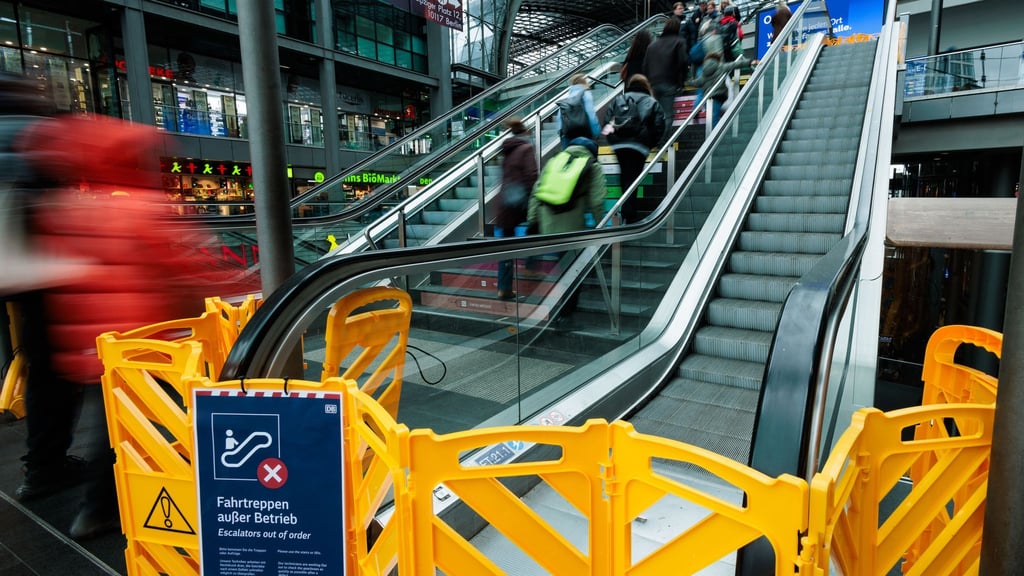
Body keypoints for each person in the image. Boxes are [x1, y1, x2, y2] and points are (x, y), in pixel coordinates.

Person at [14, 114, 224, 540]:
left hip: (88, 342)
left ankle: (112, 500)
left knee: (114, 426)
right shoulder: (139, 208)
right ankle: (108, 507)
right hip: (138, 339)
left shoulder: (70, 209)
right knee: (143, 421)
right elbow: (178, 266)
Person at [527, 136, 607, 320]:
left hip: (547, 224)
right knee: (572, 269)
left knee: (563, 266)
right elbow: (596, 201)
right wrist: (600, 226)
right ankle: (565, 313)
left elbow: (536, 192)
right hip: (571, 228)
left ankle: (561, 308)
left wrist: (532, 220)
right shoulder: (592, 166)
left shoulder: (554, 161)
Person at [601, 74, 668, 223]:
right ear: (646, 86)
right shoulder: (651, 101)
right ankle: (629, 213)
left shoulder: (619, 100)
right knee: (633, 177)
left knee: (625, 175)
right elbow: (659, 124)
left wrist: (613, 140)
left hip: (619, 144)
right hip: (639, 145)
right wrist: (652, 143)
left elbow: (606, 121)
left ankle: (626, 211)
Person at [495, 117, 538, 300]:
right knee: (536, 227)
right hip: (520, 202)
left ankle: (504, 288)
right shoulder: (526, 148)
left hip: (505, 203)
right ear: (526, 133)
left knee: (506, 246)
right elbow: (531, 176)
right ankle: (530, 266)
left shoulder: (508, 150)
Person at [643, 17, 689, 141]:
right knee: (668, 115)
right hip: (669, 82)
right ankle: (662, 142)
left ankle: (651, 139)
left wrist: (648, 83)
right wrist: (682, 82)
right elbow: (683, 62)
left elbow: (645, 65)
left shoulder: (652, 45)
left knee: (656, 114)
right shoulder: (679, 41)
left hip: (653, 84)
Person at [555, 73, 601, 149]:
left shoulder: (568, 97)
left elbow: (560, 117)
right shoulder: (586, 94)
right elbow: (590, 114)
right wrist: (596, 131)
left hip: (567, 134)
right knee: (586, 154)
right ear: (584, 82)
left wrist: (561, 133)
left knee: (569, 155)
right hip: (584, 133)